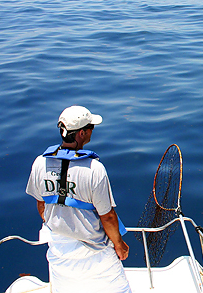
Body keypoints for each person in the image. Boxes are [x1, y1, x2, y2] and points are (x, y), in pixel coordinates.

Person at [26, 106, 132, 293]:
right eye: (91, 127)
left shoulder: (39, 163)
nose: (92, 131)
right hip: (95, 253)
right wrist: (119, 245)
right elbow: (107, 217)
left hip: (59, 251)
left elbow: (41, 204)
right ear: (82, 133)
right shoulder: (94, 169)